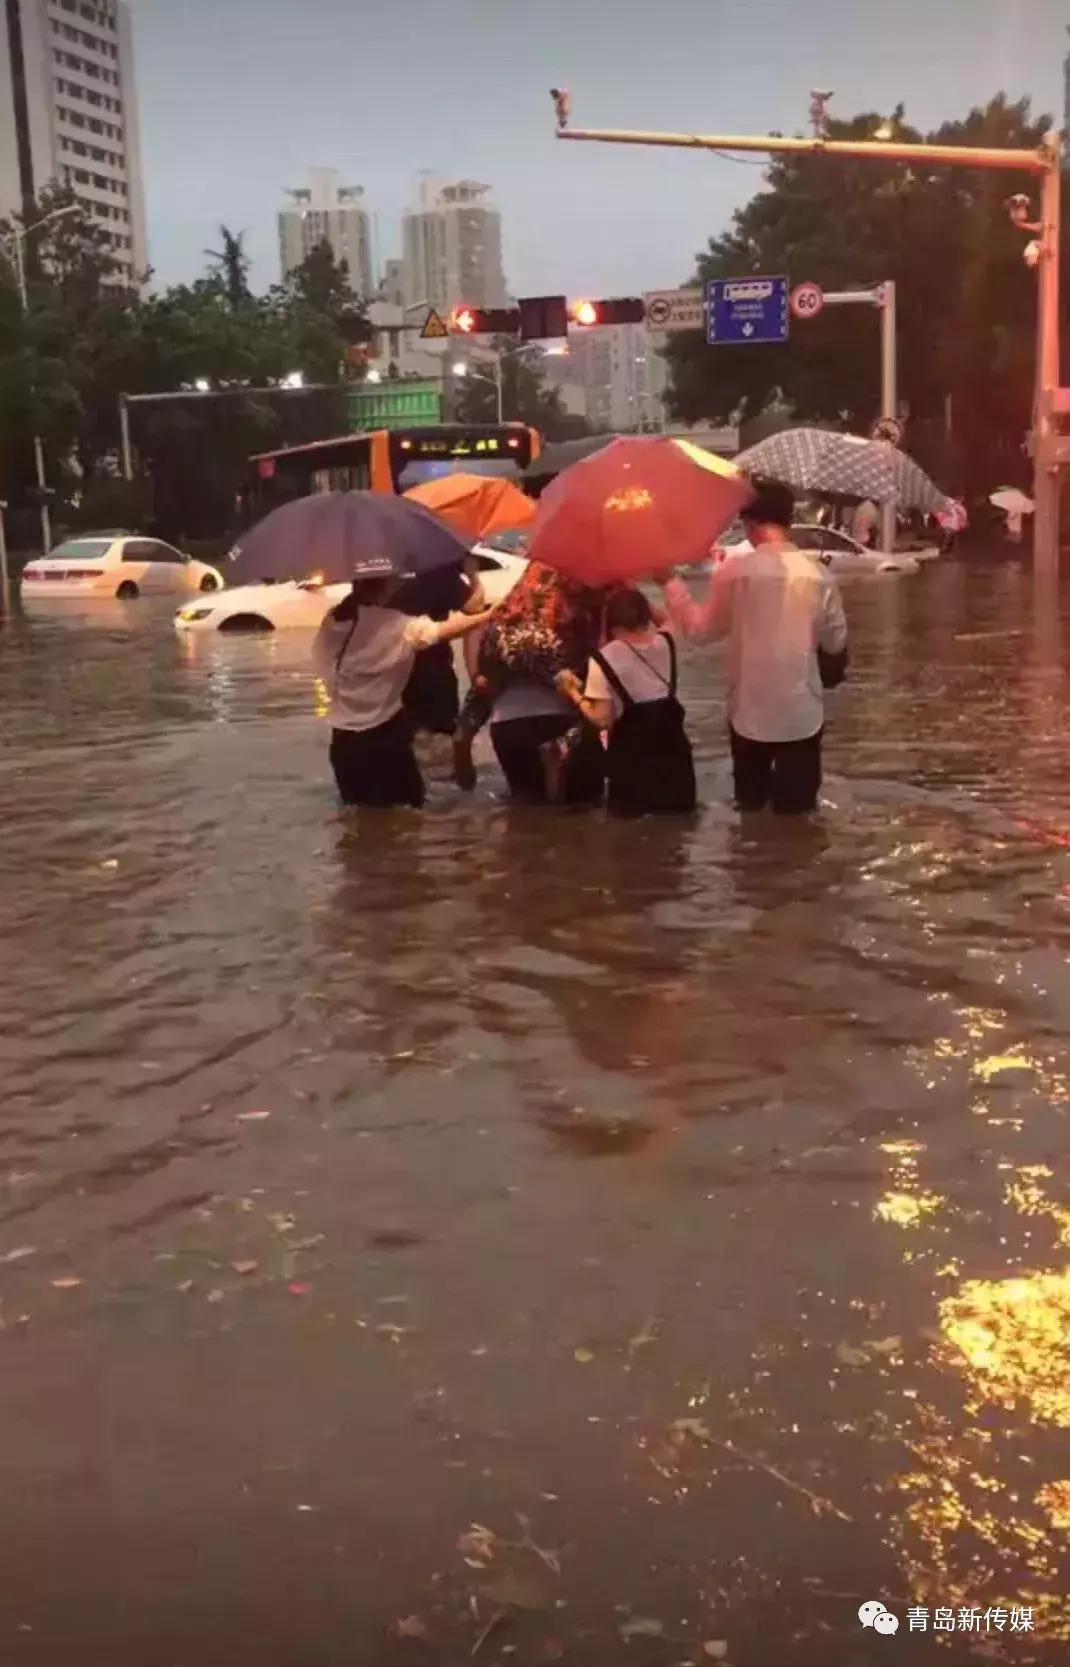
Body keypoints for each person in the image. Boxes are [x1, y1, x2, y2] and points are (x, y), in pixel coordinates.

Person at [661, 479, 848, 816]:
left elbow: (700, 631)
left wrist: (670, 583)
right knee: (799, 818)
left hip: (749, 714)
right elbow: (836, 641)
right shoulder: (819, 576)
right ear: (789, 521)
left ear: (749, 523)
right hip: (801, 714)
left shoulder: (734, 574)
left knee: (750, 813)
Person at [312, 565, 494, 809]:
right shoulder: (398, 625)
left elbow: (323, 664)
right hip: (387, 743)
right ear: (385, 588)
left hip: (343, 745)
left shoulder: (334, 621)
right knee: (407, 820)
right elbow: (448, 629)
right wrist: (491, 614)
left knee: (358, 824)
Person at [452, 561, 606, 805]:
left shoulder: (511, 586)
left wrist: (475, 675)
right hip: (559, 693)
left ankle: (466, 727)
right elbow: (600, 651)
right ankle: (560, 748)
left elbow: (475, 630)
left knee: (526, 814)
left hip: (508, 712)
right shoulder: (579, 586)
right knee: (579, 813)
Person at [555, 587, 696, 817]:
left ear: (611, 621)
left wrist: (573, 693)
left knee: (630, 844)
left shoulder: (603, 658)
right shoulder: (666, 642)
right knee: (675, 841)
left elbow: (602, 720)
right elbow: (666, 618)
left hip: (632, 770)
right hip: (676, 764)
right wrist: (629, 586)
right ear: (644, 616)